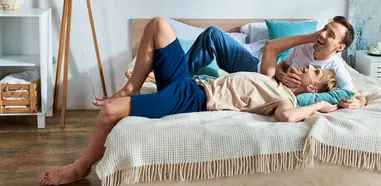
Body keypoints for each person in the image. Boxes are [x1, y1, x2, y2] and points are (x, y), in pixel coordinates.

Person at [38, 17, 339, 185]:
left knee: (109, 113)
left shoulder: (285, 101)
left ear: (313, 88)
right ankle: (132, 86)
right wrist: (302, 47)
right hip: (191, 84)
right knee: (158, 24)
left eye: (313, 70)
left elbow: (288, 118)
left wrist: (321, 106)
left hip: (191, 99)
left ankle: (80, 167)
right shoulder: (274, 78)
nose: (306, 66)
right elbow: (273, 49)